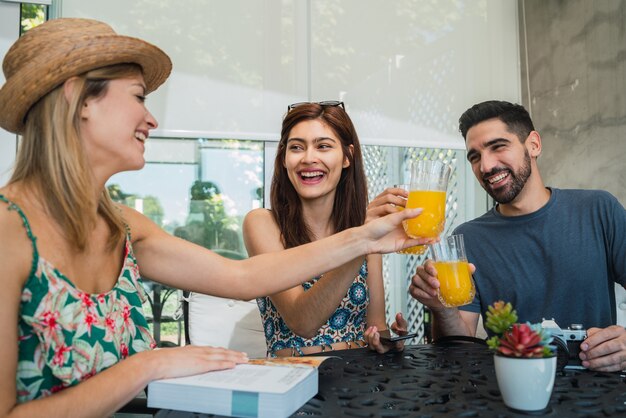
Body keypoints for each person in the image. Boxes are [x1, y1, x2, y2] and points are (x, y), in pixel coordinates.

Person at [0, 18, 425, 417]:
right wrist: (146, 366)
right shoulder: (8, 230)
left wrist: (366, 236)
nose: (151, 118)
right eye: (137, 96)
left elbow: (243, 279)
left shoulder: (122, 226)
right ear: (78, 99)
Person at [409, 100, 626, 372]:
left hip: (598, 396)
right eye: (474, 156)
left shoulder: (598, 210)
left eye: (498, 147)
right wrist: (441, 307)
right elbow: (460, 346)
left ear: (533, 144)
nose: (485, 166)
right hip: (506, 396)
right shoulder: (468, 238)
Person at [243, 102, 426, 356]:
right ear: (284, 159)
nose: (308, 158)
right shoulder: (263, 224)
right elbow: (302, 322)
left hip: (358, 383)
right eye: (296, 147)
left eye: (323, 146)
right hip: (293, 386)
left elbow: (376, 328)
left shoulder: (364, 231)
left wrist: (387, 341)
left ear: (347, 157)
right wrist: (361, 240)